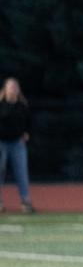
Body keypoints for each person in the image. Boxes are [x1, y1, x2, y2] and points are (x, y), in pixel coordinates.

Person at [0, 78, 34, 213]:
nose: (13, 89)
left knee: (22, 172)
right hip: (1, 143)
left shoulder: (22, 105)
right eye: (10, 87)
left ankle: (25, 201)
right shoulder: (1, 104)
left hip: (17, 144)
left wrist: (27, 133)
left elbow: (29, 122)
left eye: (15, 87)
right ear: (5, 89)